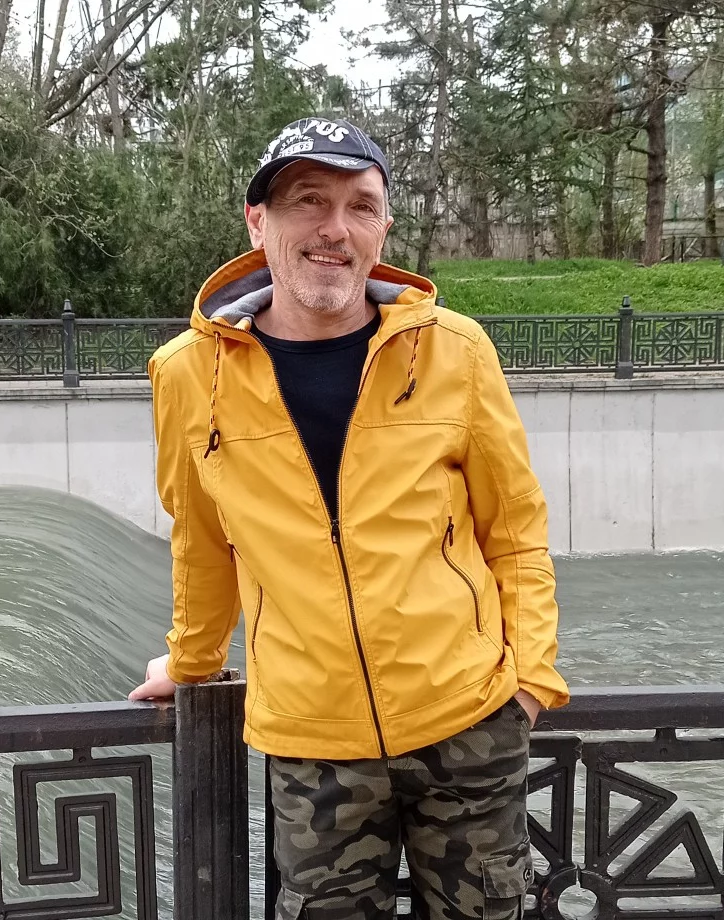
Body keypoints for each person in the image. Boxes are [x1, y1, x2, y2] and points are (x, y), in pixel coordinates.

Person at [130, 116, 569, 920]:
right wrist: (191, 665)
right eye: (309, 201)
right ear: (257, 222)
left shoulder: (455, 350)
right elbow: (202, 542)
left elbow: (515, 532)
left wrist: (532, 681)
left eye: (360, 206)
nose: (335, 228)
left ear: (383, 229)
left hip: (468, 718)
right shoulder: (189, 374)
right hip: (313, 746)